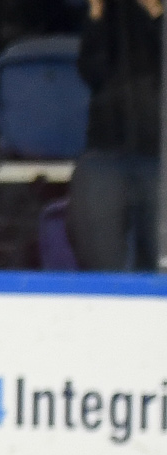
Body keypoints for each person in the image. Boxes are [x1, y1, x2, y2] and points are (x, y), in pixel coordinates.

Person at [70, 0, 161, 271]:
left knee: (158, 262)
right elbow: (92, 72)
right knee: (102, 263)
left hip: (160, 154)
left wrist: (155, 12)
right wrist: (96, 12)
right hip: (106, 150)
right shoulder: (109, 15)